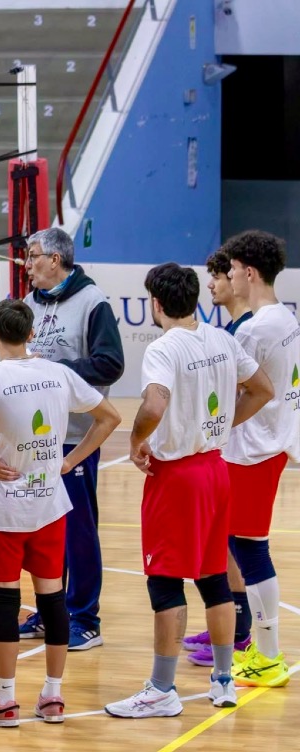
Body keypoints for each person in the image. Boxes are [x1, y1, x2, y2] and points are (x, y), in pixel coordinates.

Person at [105, 263, 272, 718]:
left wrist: (136, 441)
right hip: (216, 469)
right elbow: (261, 389)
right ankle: (222, 680)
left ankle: (161, 688)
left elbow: (154, 403)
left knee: (165, 582)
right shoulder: (221, 338)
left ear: (156, 304)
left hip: (177, 477)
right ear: (194, 297)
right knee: (214, 576)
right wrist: (219, 426)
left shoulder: (164, 348)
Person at [0, 226, 123, 650]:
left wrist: (57, 373)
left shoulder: (92, 301)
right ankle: (53, 613)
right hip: (28, 440)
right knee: (44, 528)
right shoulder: (29, 304)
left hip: (72, 438)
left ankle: (86, 618)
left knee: (78, 527)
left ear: (57, 258)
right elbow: (12, 361)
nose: (25, 265)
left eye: (32, 256)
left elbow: (110, 363)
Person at [0, 300, 121, 726]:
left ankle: (6, 700)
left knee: (5, 604)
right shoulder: (59, 372)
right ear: (31, 334)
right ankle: (52, 697)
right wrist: (72, 461)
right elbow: (109, 417)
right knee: (53, 602)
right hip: (50, 506)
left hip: (5, 510)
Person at [221, 231, 300, 688]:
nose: (229, 278)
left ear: (249, 272)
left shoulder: (255, 328)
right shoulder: (282, 318)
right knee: (242, 546)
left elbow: (239, 391)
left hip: (254, 450)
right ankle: (262, 646)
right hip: (269, 445)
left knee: (250, 550)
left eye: (231, 271)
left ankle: (268, 655)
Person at [181, 249, 255, 666]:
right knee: (223, 544)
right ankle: (227, 624)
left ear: (239, 277)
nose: (211, 284)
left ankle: (240, 632)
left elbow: (257, 391)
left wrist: (224, 427)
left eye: (218, 277)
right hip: (228, 452)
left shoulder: (244, 332)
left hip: (239, 453)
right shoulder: (232, 328)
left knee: (237, 546)